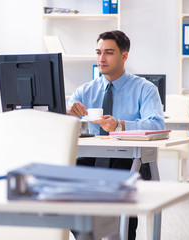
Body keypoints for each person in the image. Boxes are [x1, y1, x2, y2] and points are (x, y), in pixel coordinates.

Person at [67, 30, 164, 240]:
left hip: (130, 160)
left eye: (109, 52)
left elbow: (156, 124)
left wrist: (120, 125)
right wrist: (67, 110)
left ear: (124, 55)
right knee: (64, 181)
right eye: (98, 52)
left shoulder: (145, 89)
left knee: (120, 193)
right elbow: (63, 117)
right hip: (92, 159)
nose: (102, 58)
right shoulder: (85, 90)